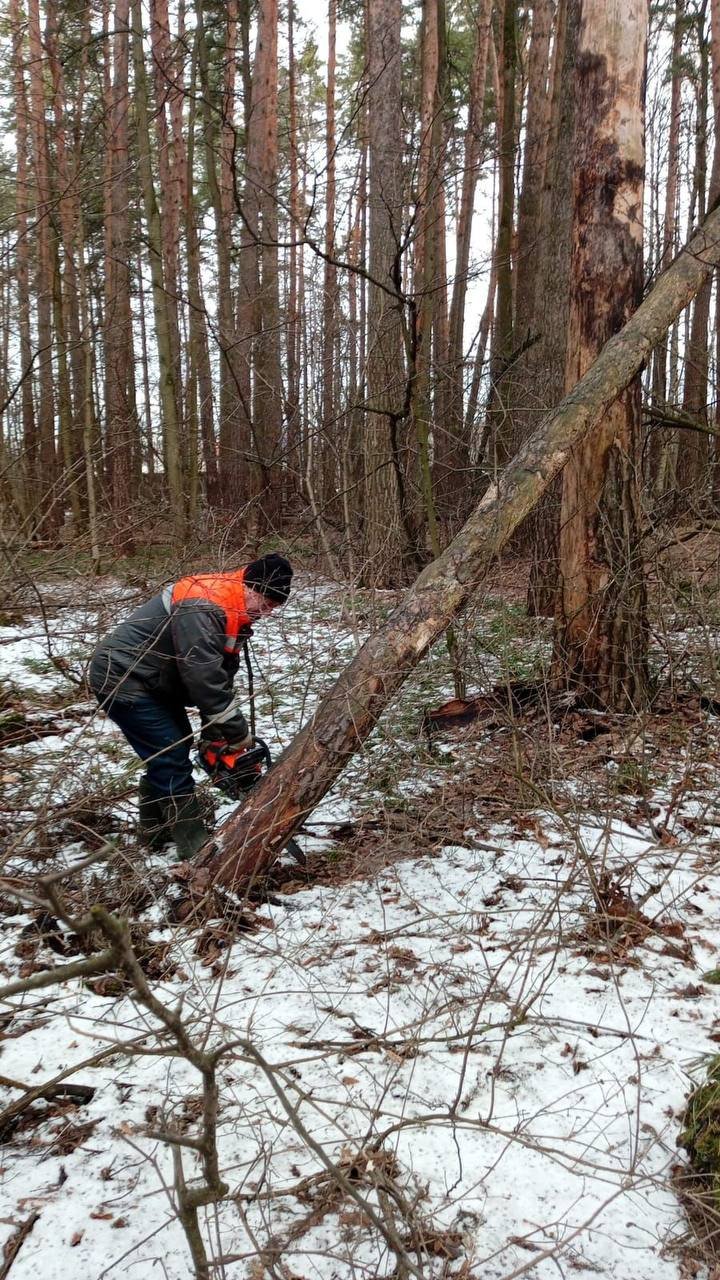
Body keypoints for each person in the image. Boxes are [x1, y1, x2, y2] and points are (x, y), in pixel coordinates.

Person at [89, 553, 293, 861]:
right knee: (169, 754)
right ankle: (193, 845)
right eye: (265, 603)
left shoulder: (234, 610)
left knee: (174, 745)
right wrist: (238, 736)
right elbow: (203, 678)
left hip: (154, 680)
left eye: (273, 608)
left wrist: (216, 734)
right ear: (251, 587)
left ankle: (155, 833)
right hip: (122, 677)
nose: (265, 613)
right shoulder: (204, 605)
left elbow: (220, 673)